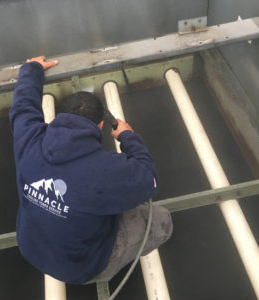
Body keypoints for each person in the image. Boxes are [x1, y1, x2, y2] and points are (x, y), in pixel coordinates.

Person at [9, 56, 173, 284]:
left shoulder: (29, 139)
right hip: (82, 269)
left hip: (30, 248)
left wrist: (31, 69)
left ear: (60, 116)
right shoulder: (106, 170)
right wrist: (128, 136)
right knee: (161, 220)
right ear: (101, 125)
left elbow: (23, 106)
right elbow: (149, 180)